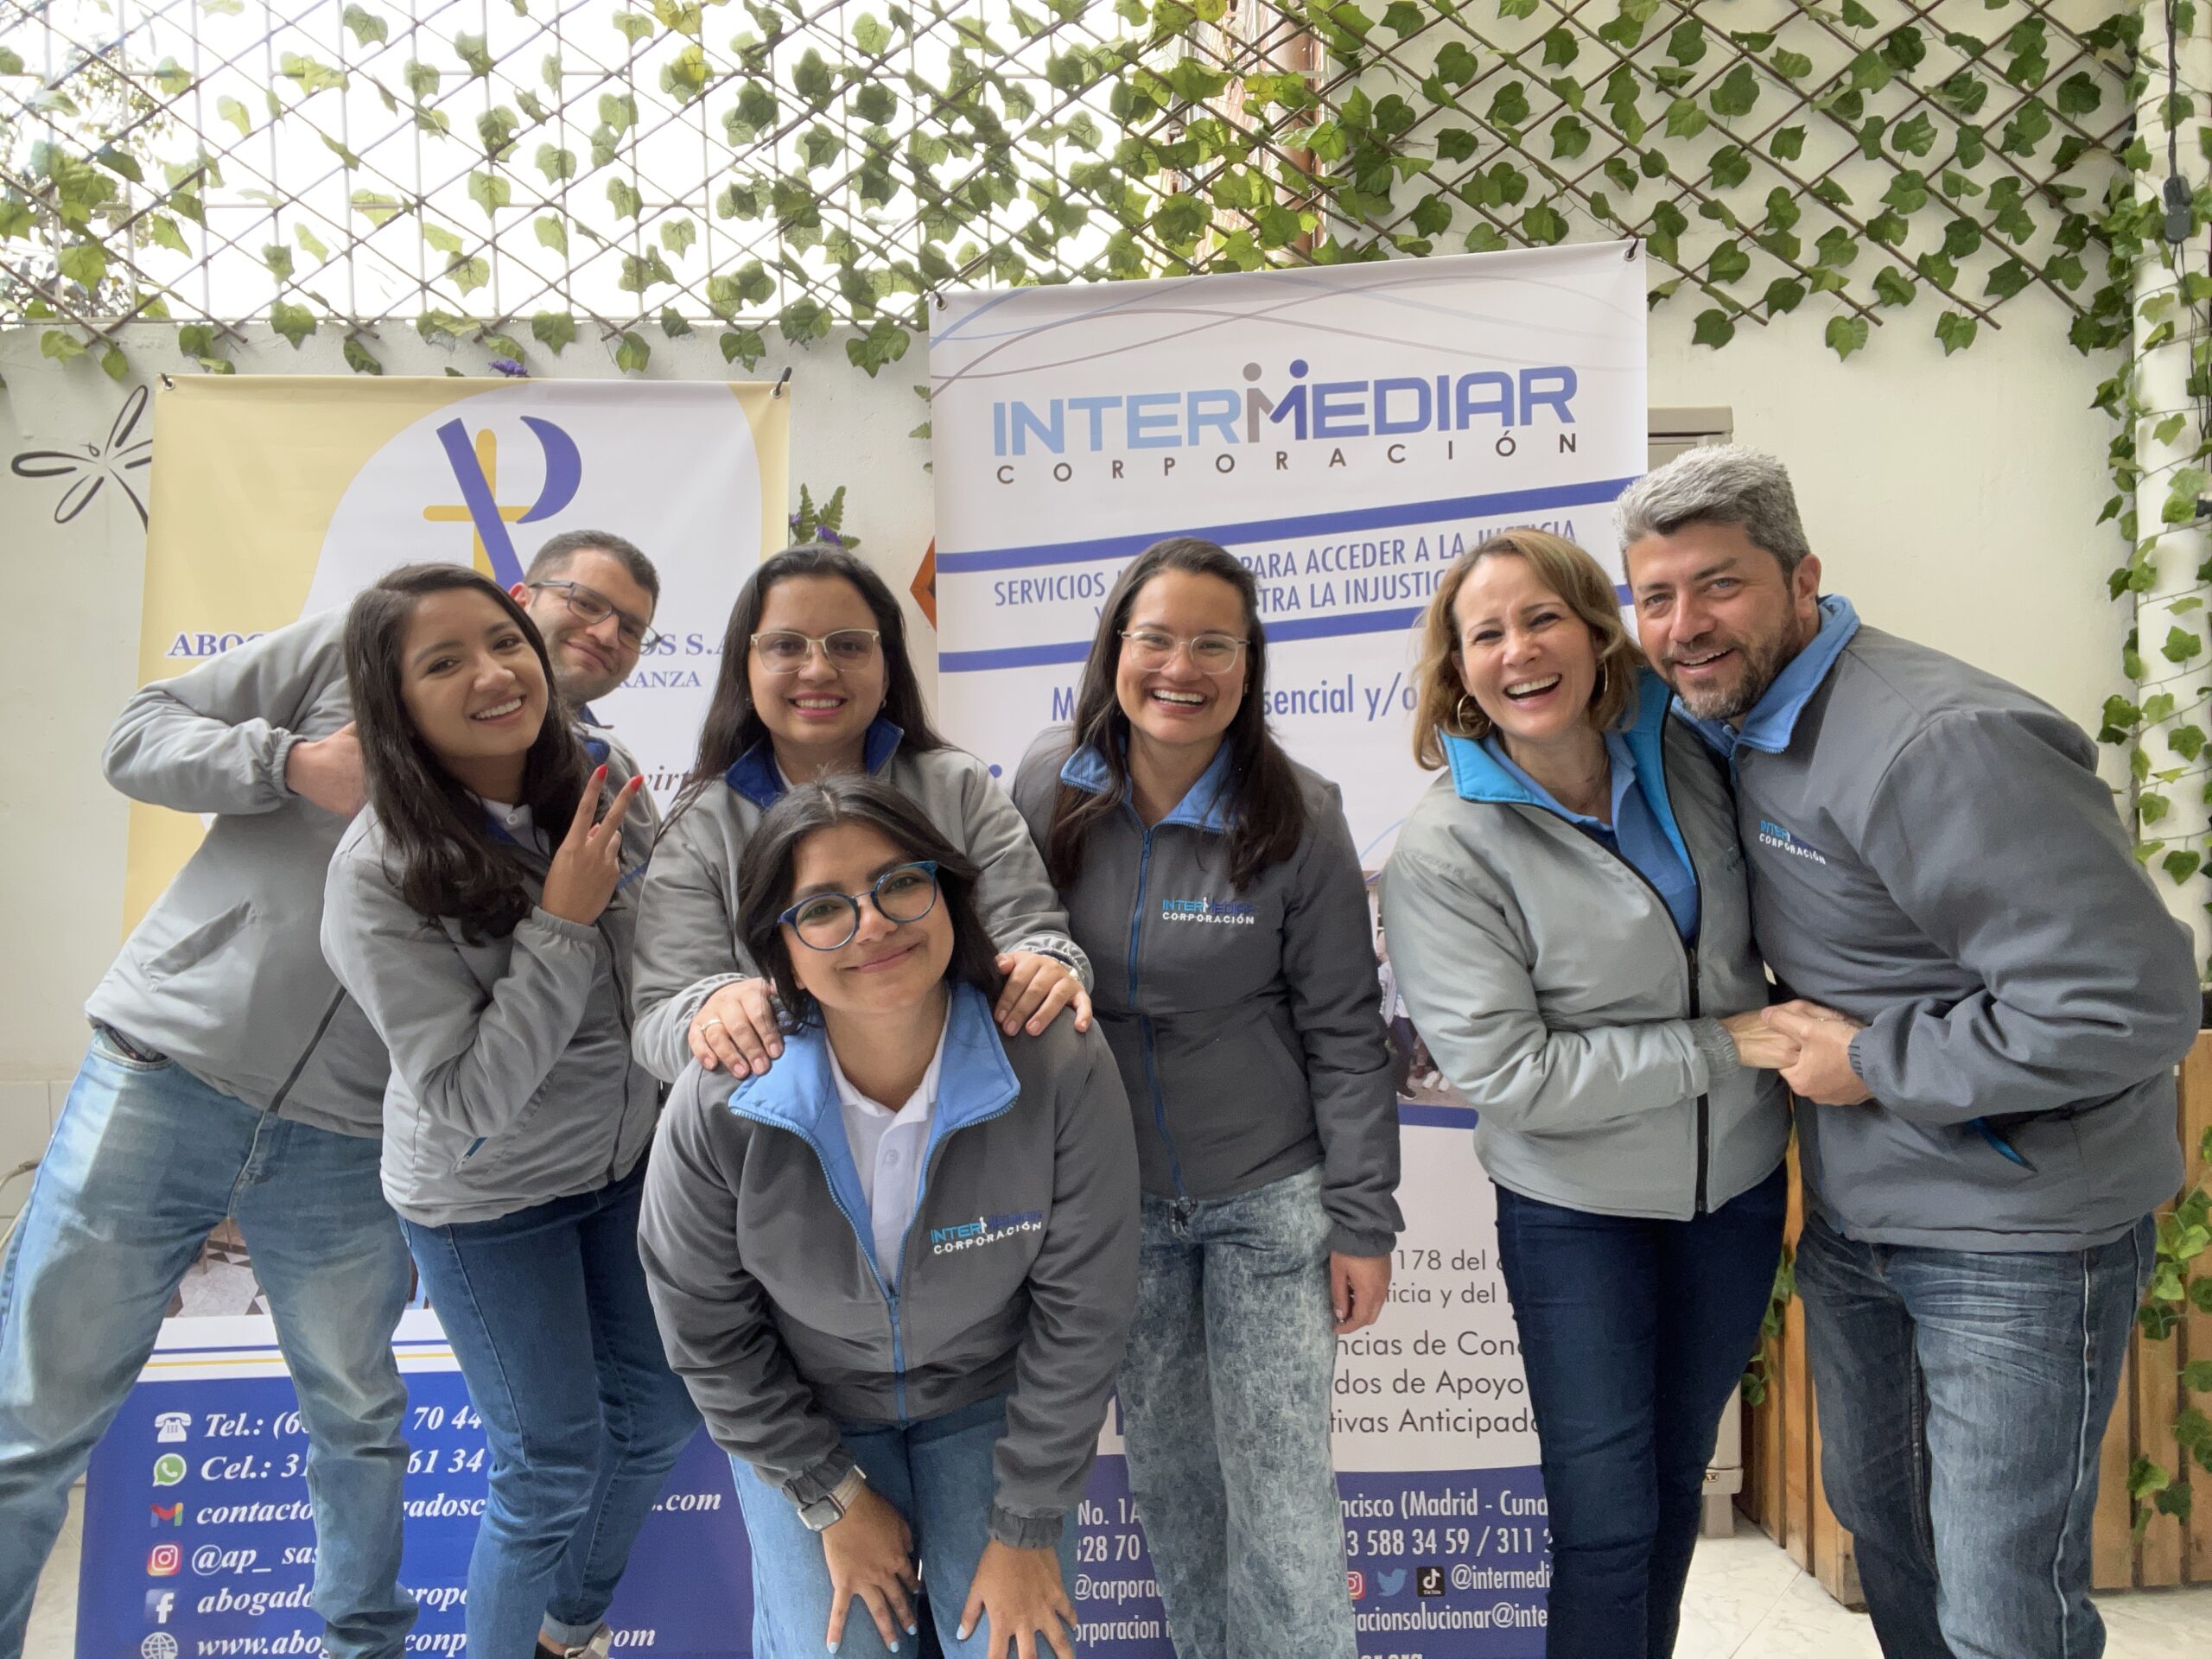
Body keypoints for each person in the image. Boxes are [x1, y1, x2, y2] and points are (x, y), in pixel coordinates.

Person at [1619, 445, 2199, 1659]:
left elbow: (2131, 1003)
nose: (1683, 626)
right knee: (1897, 1546)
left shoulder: (1937, 740)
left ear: (1802, 578)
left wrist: (1879, 1062)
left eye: (1719, 585)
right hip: (1863, 1221)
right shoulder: (1738, 724)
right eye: (1655, 597)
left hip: (2015, 1234)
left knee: (1999, 1604)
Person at [1378, 528, 1794, 1659]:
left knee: (1672, 1487)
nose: (1519, 650)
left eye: (1541, 618)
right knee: (1606, 1524)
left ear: (1594, 631)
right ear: (1458, 669)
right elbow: (1510, 1074)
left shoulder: (1683, 753)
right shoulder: (1447, 849)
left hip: (1734, 1192)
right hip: (1577, 1215)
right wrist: (1727, 1047)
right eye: (1486, 634)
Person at [637, 776, 1138, 1659]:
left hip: (989, 1401)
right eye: (823, 908)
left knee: (1011, 1647)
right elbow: (705, 1332)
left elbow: (1085, 1313)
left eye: (901, 884)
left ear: (949, 895)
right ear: (779, 951)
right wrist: (829, 1496)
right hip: (809, 1415)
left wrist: (1026, 1525)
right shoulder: (721, 1100)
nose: (871, 924)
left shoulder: (1055, 1056)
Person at [1011, 537, 1400, 1659]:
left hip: (1269, 1201)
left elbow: (1347, 1032)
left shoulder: (1298, 812)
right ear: (1114, 650)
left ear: (1248, 662)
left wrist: (1363, 1220)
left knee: (1281, 1495)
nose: (1181, 668)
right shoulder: (1047, 784)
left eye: (1213, 645)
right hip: (1114, 1205)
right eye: (1157, 639)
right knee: (1175, 1484)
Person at [0, 611, 416, 1659]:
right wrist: (291, 764)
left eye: (629, 626)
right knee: (36, 1420)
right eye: (582, 601)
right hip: (163, 1078)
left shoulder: (557, 771)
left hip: (346, 1133)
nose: (600, 632)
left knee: (359, 1423)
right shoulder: (361, 641)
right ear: (525, 596)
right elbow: (136, 736)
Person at [321, 564, 698, 1659]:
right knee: (547, 1463)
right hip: (485, 1201)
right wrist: (563, 923)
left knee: (661, 1416)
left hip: (625, 1167)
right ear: (393, 700)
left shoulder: (601, 775)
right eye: (444, 662)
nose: (493, 674)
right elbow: (467, 1099)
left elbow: (665, 953)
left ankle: (564, 1633)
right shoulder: (377, 870)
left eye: (502, 643)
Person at [631, 543, 1090, 1086]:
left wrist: (1045, 969)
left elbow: (1033, 934)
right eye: (786, 646)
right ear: (744, 673)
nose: (818, 669)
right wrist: (712, 1015)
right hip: (778, 1121)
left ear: (888, 670)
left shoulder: (959, 787)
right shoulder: (699, 827)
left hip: (965, 1098)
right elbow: (663, 1013)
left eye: (849, 645)